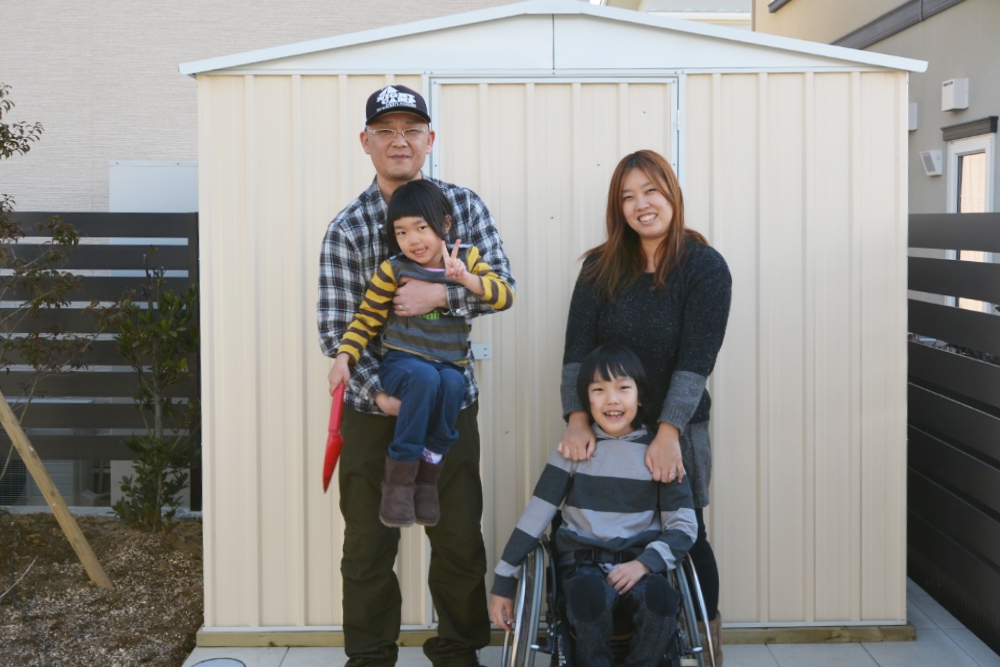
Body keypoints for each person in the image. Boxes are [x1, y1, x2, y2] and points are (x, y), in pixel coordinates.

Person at [318, 84, 515, 667]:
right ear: (366, 142)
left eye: (411, 129)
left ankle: (458, 652)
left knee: (456, 537)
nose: (399, 141)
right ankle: (371, 656)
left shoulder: (464, 208)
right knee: (368, 547)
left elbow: (499, 286)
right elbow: (339, 331)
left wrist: (439, 294)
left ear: (429, 139)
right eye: (385, 130)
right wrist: (384, 399)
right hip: (375, 409)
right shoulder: (348, 229)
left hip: (452, 402)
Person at [558, 149, 731, 664]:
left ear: (671, 194)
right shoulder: (600, 267)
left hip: (676, 431)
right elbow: (576, 355)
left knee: (686, 534)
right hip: (607, 429)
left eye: (650, 191)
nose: (642, 204)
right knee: (600, 531)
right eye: (628, 197)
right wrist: (577, 419)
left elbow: (697, 361)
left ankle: (706, 645)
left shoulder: (704, 267)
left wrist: (668, 431)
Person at [490, 344, 697, 667]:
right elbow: (536, 517)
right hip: (582, 567)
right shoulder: (574, 450)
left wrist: (643, 564)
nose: (612, 399)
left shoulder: (659, 452)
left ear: (640, 397)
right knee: (587, 598)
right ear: (587, 401)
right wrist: (505, 581)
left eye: (623, 388)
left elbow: (684, 527)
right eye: (599, 390)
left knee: (661, 602)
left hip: (639, 565)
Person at [329, 179, 514, 528]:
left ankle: (427, 479)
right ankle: (398, 481)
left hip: (448, 365)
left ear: (445, 224)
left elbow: (504, 295)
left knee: (454, 385)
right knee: (426, 377)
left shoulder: (468, 259)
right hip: (403, 365)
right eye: (401, 232)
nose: (412, 240)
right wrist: (344, 358)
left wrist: (464, 280)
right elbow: (366, 318)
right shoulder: (394, 269)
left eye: (421, 228)